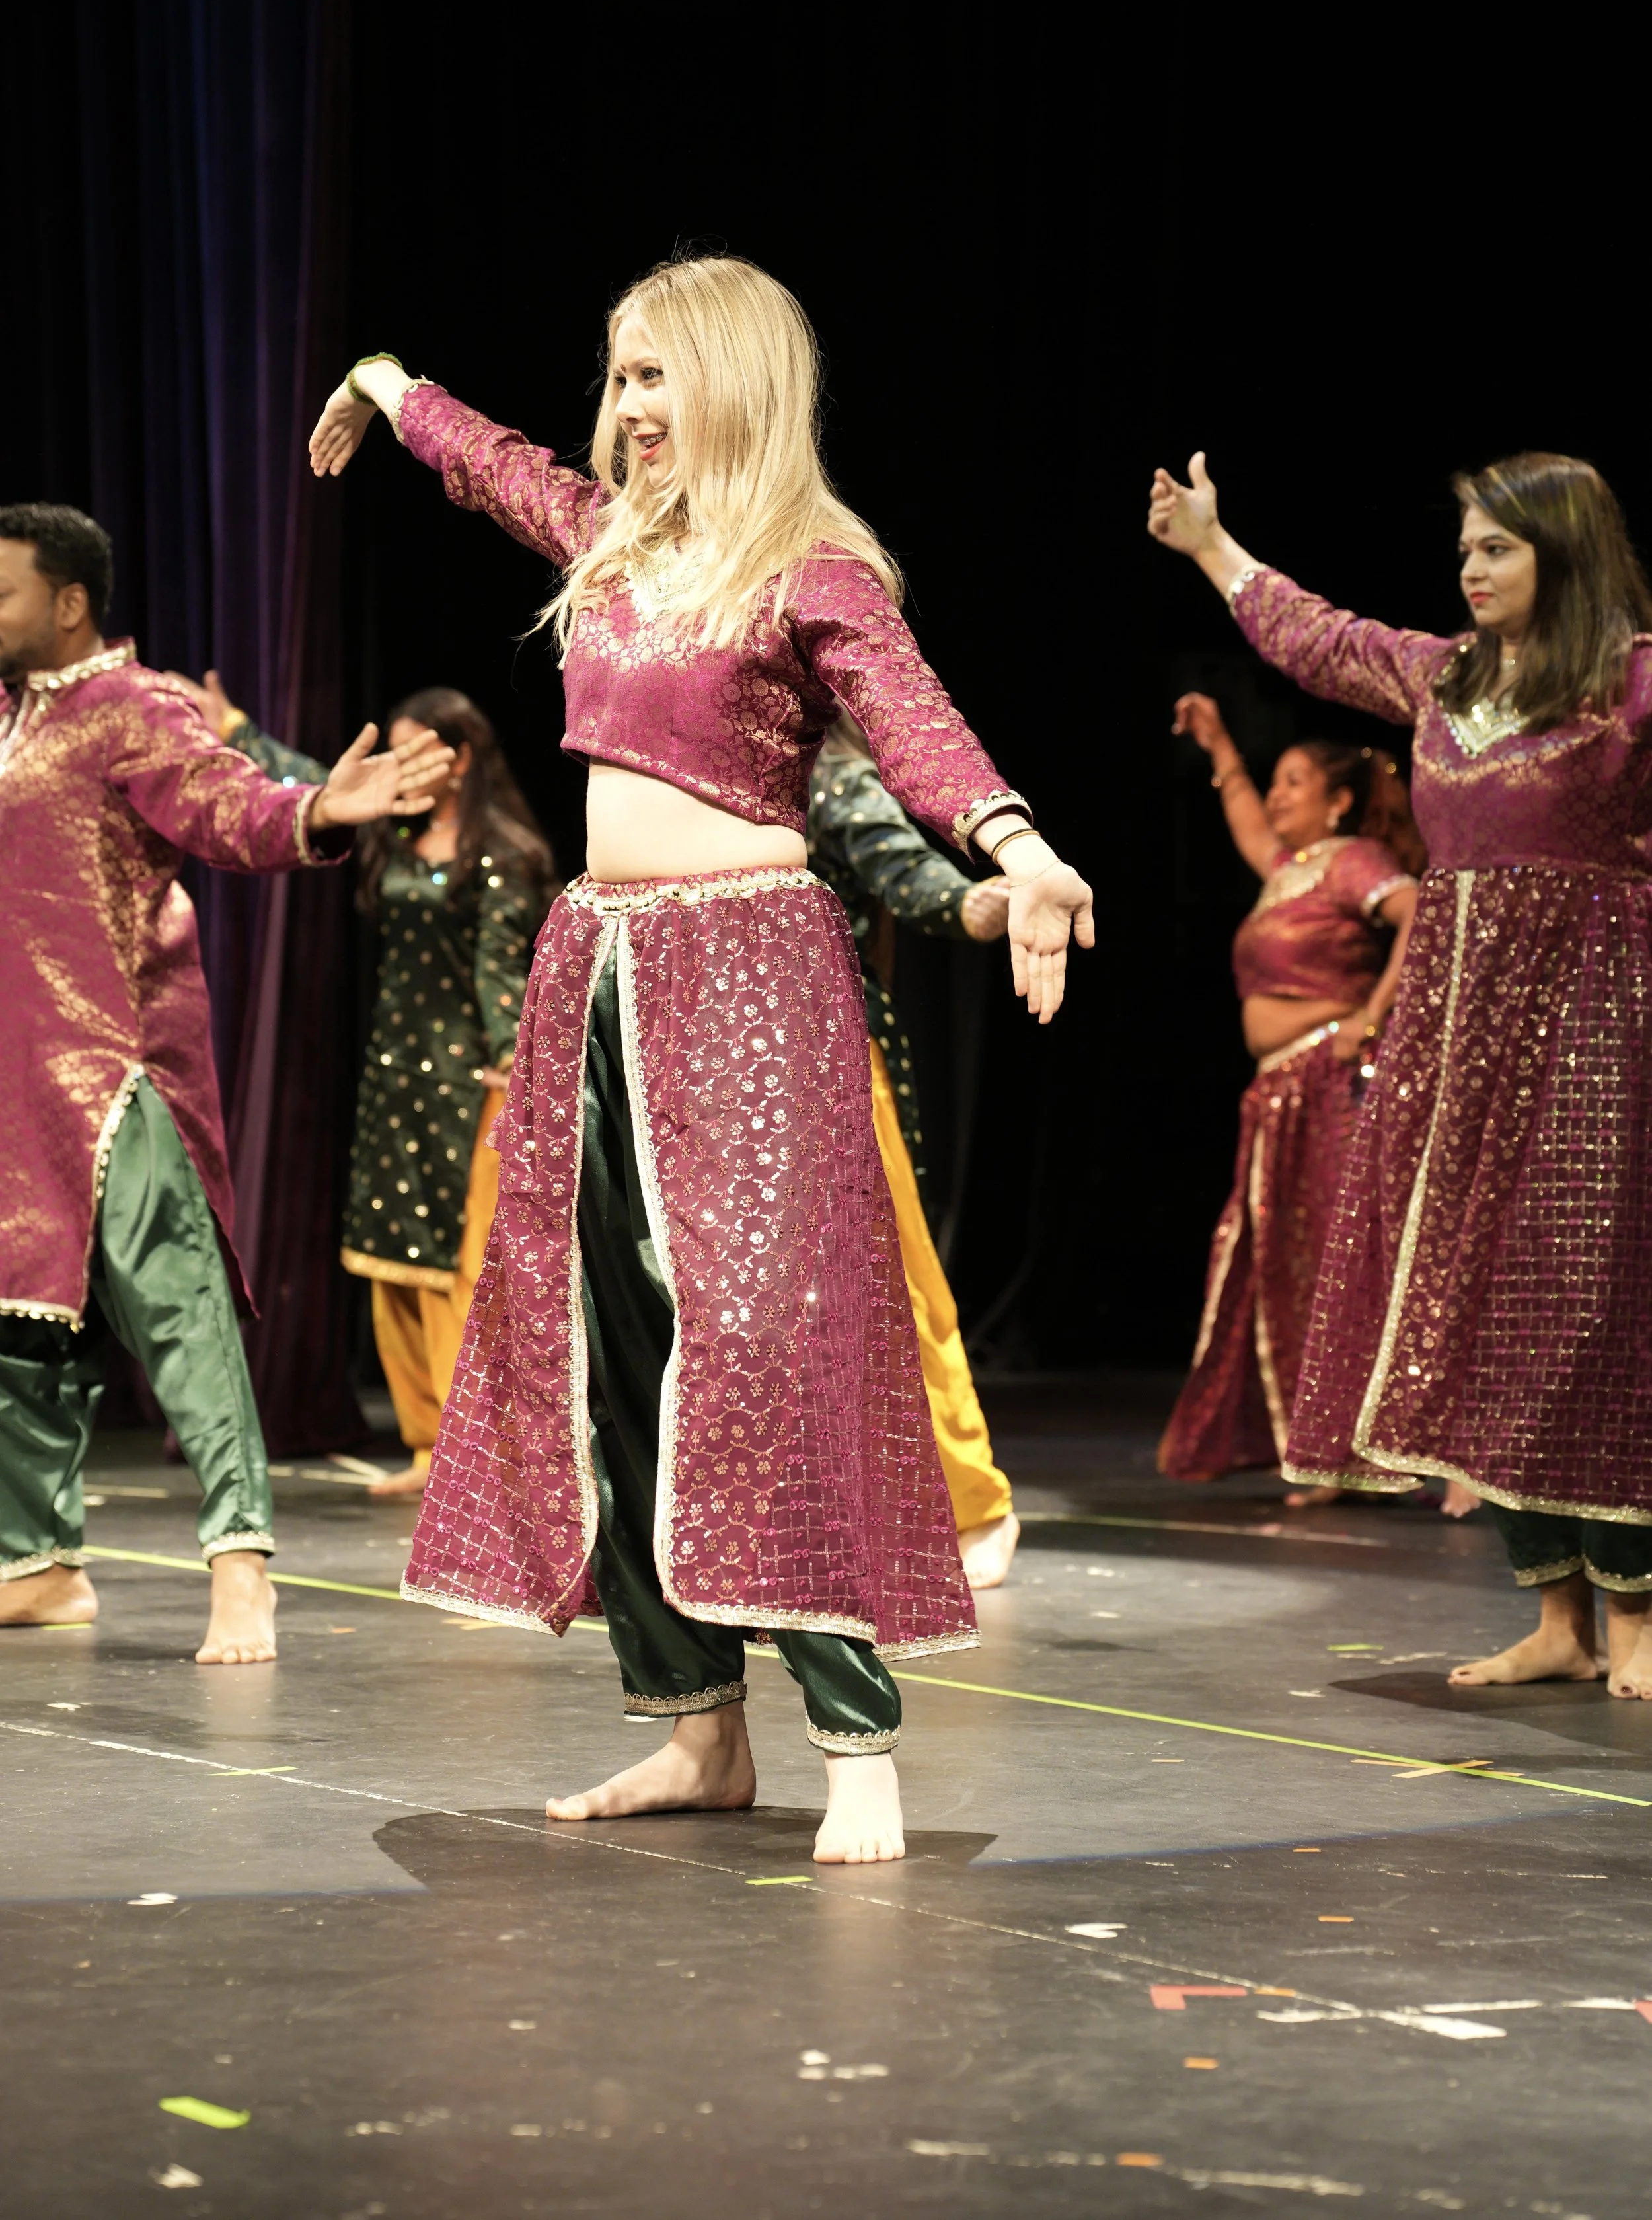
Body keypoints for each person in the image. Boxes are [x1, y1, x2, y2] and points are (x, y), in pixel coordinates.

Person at [310, 258, 1094, 1860]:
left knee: (760, 1347)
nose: (630, 407)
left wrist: (1018, 849)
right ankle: (696, 1729)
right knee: (613, 1346)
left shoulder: (810, 569)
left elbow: (911, 719)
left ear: (736, 381)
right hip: (598, 968)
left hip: (747, 973)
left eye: (659, 374)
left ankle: (856, 1736)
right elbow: (494, 464)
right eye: (619, 377)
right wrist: (386, 385)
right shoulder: (607, 545)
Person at [1148, 449, 1652, 1701]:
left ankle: (1636, 1616)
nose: (1469, 568)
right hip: (1454, 1043)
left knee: (1593, 1318)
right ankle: (1557, 1617)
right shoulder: (1443, 678)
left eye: (1498, 548)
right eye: (1465, 546)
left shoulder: (1632, 687)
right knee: (1480, 1313)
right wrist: (1212, 546)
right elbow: (1316, 637)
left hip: (1593, 1035)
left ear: (1565, 553)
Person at [0, 503, 453, 1662]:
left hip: (111, 1067)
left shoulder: (131, 706)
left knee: (178, 1313)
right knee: (20, 1330)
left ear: (68, 603)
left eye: (3, 594)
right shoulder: (7, 717)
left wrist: (317, 808)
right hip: (13, 1079)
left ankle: (242, 1564)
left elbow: (226, 805)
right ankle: (38, 1564)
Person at [179, 677, 554, 1498]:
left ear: (460, 761)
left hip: (471, 1085)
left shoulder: (502, 852)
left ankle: (478, 1452)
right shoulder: (398, 833)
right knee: (392, 1262)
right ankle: (427, 1444)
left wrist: (511, 1061)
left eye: (416, 753)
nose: (399, 768)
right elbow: (320, 785)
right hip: (396, 1077)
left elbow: (502, 967)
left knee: (462, 1270)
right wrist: (237, 728)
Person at [1158, 696, 1419, 1493]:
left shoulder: (1350, 860)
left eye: (1294, 781)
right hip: (1279, 1095)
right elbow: (1247, 821)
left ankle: (1364, 1454)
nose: (1277, 795)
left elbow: (1420, 911)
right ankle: (1320, 1448)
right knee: (1282, 1264)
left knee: (1337, 1266)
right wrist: (1220, 748)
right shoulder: (1286, 871)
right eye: (1274, 781)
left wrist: (1371, 1016)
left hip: (1331, 1088)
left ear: (1337, 801)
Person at [808, 711, 1020, 1587]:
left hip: (826, 1057)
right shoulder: (715, 779)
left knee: (892, 1279)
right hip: (721, 1059)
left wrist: (971, 901)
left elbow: (901, 865)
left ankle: (973, 1503)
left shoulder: (827, 775)